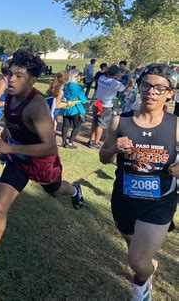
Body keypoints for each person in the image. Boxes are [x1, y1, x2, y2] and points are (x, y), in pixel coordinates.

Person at [0, 51, 84, 283]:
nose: (11, 79)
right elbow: (14, 121)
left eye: (19, 76)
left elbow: (50, 148)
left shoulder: (37, 105)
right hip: (18, 161)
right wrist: (6, 132)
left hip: (41, 161)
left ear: (32, 80)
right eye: (10, 73)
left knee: (54, 191)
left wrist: (10, 149)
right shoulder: (10, 95)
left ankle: (74, 191)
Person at [99, 64, 178, 301]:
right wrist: (115, 147)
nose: (151, 92)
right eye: (146, 85)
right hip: (124, 199)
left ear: (170, 93)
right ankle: (147, 267)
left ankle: (142, 286)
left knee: (137, 261)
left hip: (159, 201)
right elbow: (104, 158)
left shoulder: (176, 126)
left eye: (159, 87)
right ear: (139, 87)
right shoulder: (119, 121)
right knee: (134, 248)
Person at [89, 65, 133, 149]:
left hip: (97, 102)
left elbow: (111, 80)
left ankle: (91, 140)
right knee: (101, 124)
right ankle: (96, 142)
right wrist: (131, 81)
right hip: (106, 105)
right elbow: (128, 89)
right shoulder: (115, 83)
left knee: (94, 122)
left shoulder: (101, 78)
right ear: (116, 74)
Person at [61, 69, 88, 148]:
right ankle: (70, 143)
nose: (80, 77)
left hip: (66, 108)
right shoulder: (77, 87)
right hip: (75, 109)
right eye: (79, 76)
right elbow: (84, 100)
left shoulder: (65, 85)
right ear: (76, 77)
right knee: (77, 126)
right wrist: (84, 91)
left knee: (65, 126)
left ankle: (63, 142)